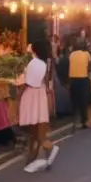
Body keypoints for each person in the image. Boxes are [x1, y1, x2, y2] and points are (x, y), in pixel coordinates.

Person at [18, 39, 58, 173]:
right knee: (36, 132)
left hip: (32, 96)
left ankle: (50, 149)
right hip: (40, 96)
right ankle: (32, 158)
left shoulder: (34, 63)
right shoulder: (45, 64)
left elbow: (27, 83)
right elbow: (46, 83)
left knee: (36, 132)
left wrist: (19, 98)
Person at [68, 39, 91, 129]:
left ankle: (75, 121)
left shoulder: (71, 54)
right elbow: (89, 66)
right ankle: (84, 121)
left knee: (75, 101)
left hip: (73, 79)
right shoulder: (87, 54)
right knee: (83, 101)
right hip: (83, 79)